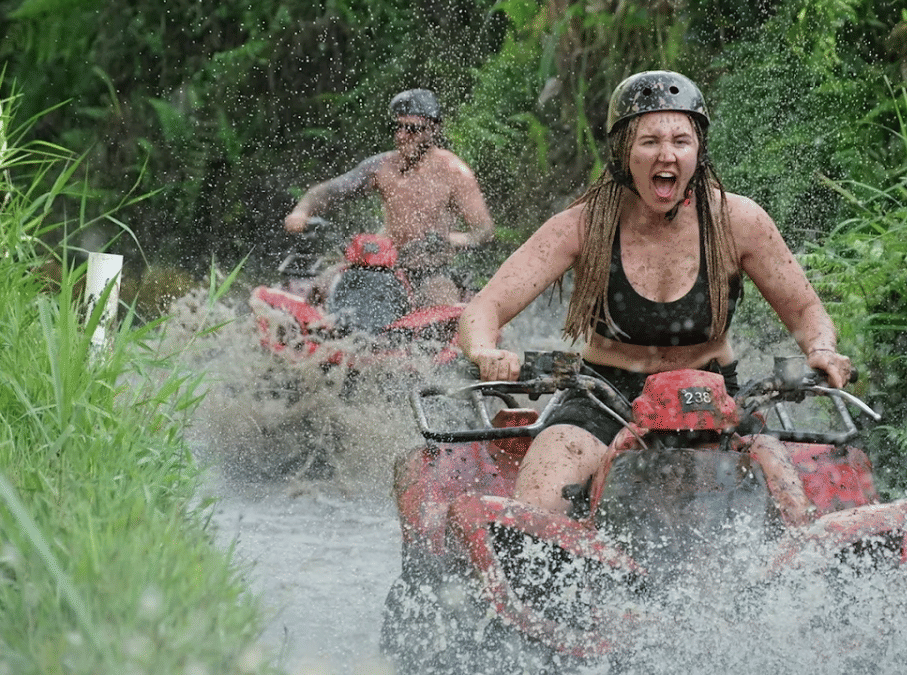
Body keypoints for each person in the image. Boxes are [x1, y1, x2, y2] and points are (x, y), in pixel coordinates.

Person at [457, 70, 854, 523]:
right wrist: (487, 352)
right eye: (650, 142)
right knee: (539, 502)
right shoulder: (583, 225)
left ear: (699, 151)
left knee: (792, 509)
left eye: (680, 141)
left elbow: (805, 310)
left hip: (714, 401)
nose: (666, 154)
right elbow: (485, 308)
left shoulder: (739, 221)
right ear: (623, 151)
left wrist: (822, 350)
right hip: (603, 397)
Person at [284, 88, 494, 306]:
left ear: (433, 129)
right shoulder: (382, 167)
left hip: (428, 270)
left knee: (440, 306)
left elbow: (484, 229)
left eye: (412, 129)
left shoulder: (454, 173)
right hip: (378, 264)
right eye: (398, 127)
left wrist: (451, 239)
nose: (402, 136)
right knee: (322, 286)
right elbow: (331, 191)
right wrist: (302, 211)